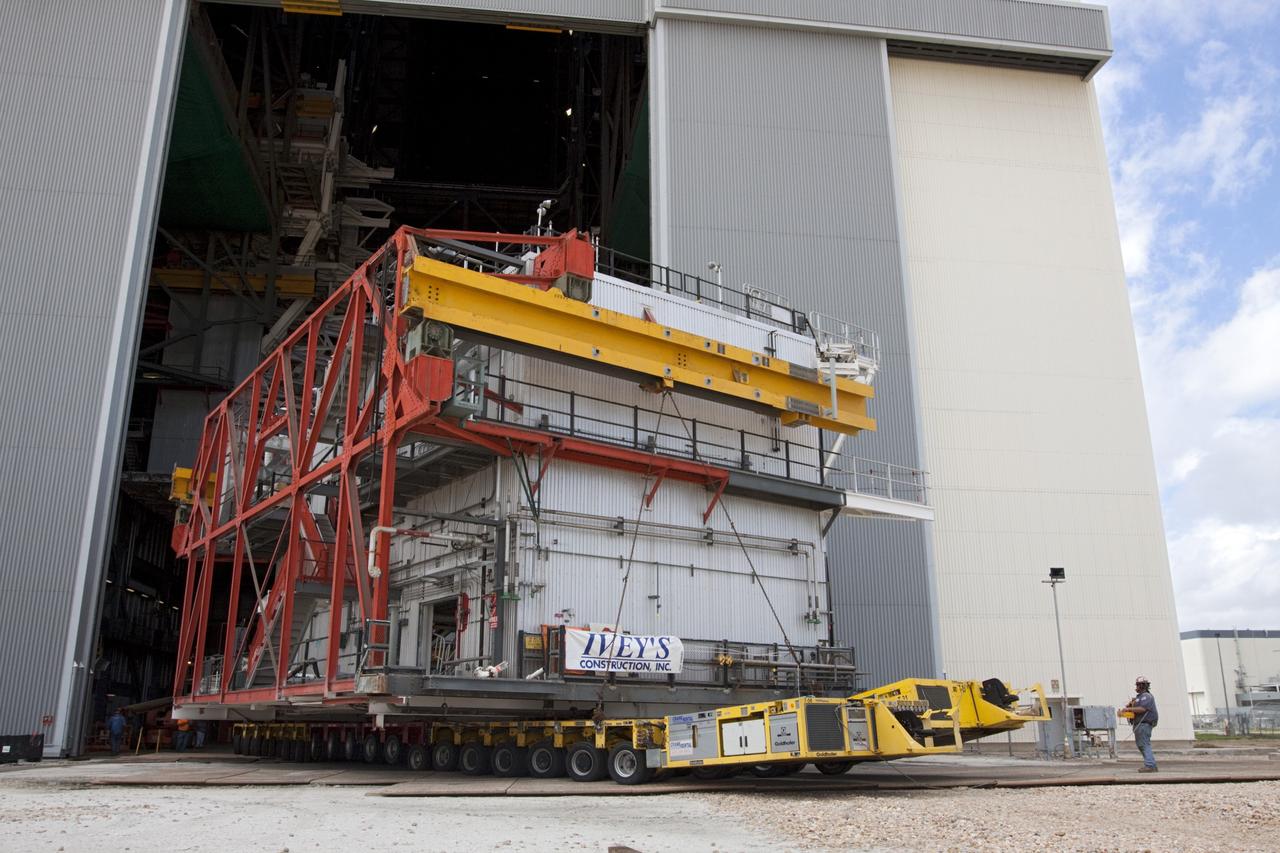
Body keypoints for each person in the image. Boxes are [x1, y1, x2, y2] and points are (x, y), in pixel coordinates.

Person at [1120, 675, 1159, 772]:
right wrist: (1130, 707)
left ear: (1142, 686)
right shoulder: (1139, 698)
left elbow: (1142, 709)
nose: (1136, 687)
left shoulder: (1146, 696)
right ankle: (1151, 764)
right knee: (1142, 745)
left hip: (1144, 724)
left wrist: (1128, 709)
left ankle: (1150, 765)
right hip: (1139, 724)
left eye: (1137, 685)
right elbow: (1136, 709)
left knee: (1144, 744)